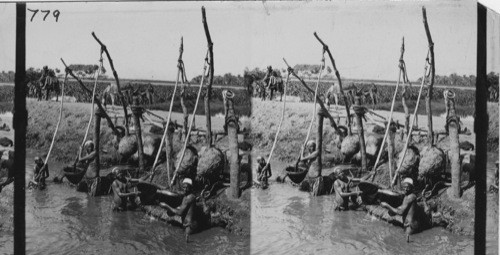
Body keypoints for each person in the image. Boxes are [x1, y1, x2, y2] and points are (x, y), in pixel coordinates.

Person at [380, 178, 432, 242]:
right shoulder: (407, 196)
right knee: (408, 242)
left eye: (408, 187)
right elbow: (404, 207)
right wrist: (397, 208)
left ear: (412, 188)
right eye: (404, 187)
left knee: (407, 244)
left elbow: (401, 212)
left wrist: (387, 205)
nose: (405, 189)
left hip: (410, 226)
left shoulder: (410, 197)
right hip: (409, 225)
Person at [158, 178, 199, 242]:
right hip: (188, 225)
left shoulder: (189, 198)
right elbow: (183, 207)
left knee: (185, 244)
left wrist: (166, 206)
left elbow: (180, 213)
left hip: (189, 227)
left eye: (186, 187)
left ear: (190, 188)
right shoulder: (188, 196)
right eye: (183, 187)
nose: (185, 189)